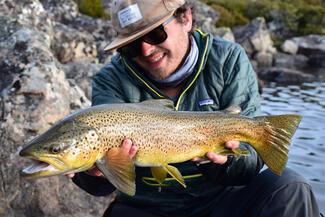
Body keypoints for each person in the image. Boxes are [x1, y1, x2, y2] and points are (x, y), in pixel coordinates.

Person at [67, 0, 321, 216]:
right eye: (131, 45)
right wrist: (91, 173)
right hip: (147, 208)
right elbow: (103, 184)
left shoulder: (227, 59)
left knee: (291, 186)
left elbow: (251, 161)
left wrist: (222, 162)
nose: (145, 49)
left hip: (221, 201)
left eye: (155, 33)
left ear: (186, 18)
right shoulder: (109, 80)